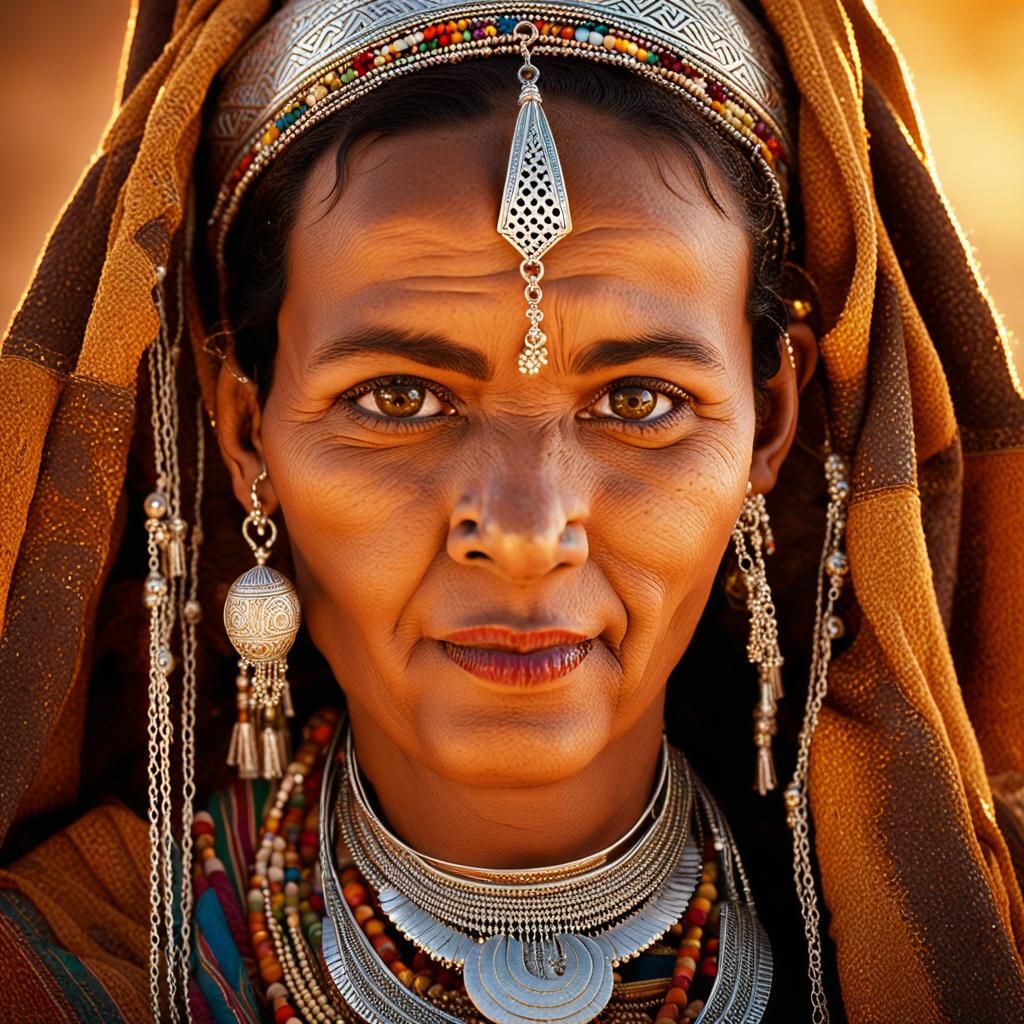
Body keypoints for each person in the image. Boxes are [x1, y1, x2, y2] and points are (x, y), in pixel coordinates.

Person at [0, 0, 1022, 1022]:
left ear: (769, 422)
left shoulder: (945, 951)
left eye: (637, 402)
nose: (528, 529)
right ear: (244, 430)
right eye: (398, 399)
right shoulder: (61, 974)